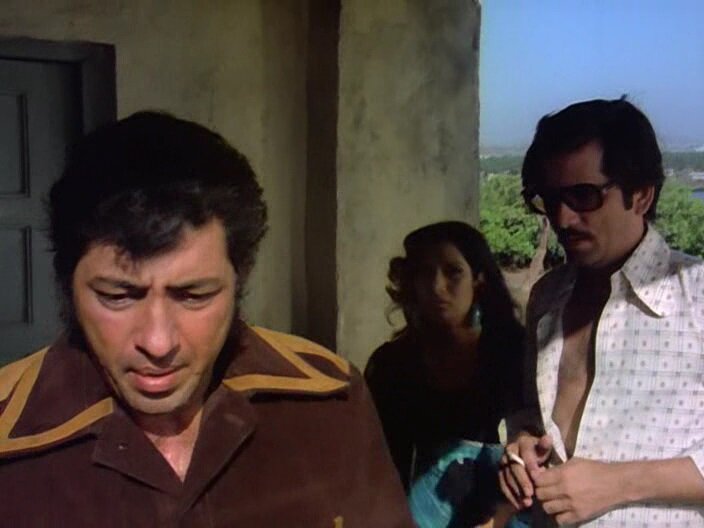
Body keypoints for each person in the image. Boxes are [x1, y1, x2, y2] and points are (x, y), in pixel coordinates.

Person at [0, 111, 414, 527]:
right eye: (117, 297)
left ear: (240, 277)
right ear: (67, 285)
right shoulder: (9, 438)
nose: (158, 343)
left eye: (193, 296)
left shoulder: (327, 401)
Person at [499, 97, 704, 527]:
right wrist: (522, 443)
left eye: (583, 195)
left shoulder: (697, 295)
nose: (562, 218)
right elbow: (533, 412)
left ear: (641, 194)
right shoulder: (547, 297)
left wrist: (617, 483)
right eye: (549, 198)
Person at [365, 221, 525, 525]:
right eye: (425, 273)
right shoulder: (391, 366)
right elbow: (378, 467)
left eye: (453, 272)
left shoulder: (515, 355)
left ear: (478, 279)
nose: (437, 287)